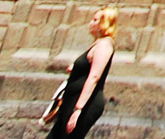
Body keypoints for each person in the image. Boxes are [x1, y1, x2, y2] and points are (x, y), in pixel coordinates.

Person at [45, 7, 117, 139]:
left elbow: (94, 77)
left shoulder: (104, 45)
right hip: (71, 100)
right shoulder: (97, 44)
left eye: (95, 20)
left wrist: (78, 109)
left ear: (103, 24)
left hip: (84, 104)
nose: (91, 23)